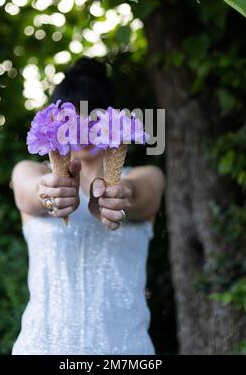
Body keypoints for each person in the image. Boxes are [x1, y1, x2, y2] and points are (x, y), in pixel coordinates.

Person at [11, 57, 165, 355]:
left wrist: (119, 194)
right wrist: (48, 192)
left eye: (90, 117)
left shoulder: (147, 176)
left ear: (108, 118)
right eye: (69, 117)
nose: (79, 127)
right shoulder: (30, 172)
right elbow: (28, 191)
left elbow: (141, 193)